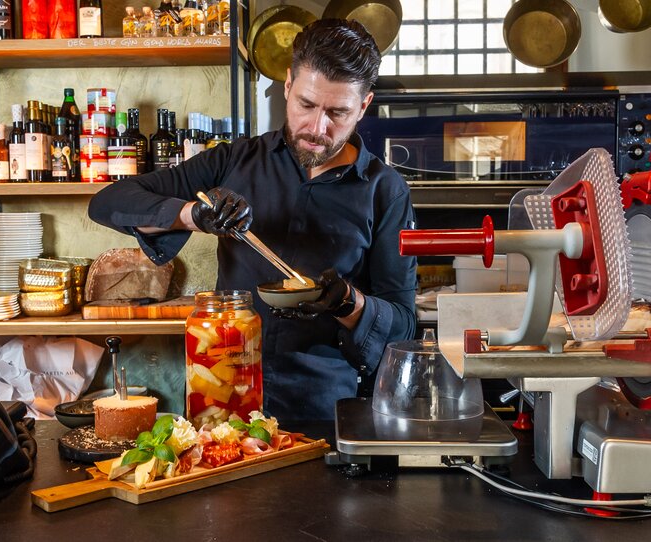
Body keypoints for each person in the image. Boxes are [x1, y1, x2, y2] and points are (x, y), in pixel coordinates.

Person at [88, 19, 417, 421]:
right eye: (306, 105)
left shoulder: (385, 190)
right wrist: (195, 214)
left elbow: (404, 326)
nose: (317, 128)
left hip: (326, 407)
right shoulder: (234, 161)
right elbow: (109, 202)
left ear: (364, 105)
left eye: (338, 113)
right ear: (288, 85)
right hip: (224, 393)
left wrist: (349, 303)